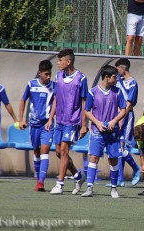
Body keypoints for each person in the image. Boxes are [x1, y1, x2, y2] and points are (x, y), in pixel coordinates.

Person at [47, 48, 89, 195]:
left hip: (73, 121)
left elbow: (85, 103)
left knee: (64, 150)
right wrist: (51, 118)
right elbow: (56, 99)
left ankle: (59, 184)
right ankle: (78, 175)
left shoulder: (81, 78)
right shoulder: (58, 76)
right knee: (58, 152)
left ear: (68, 61)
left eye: (60, 60)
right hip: (60, 121)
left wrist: (84, 124)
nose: (58, 63)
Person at [81, 65, 126, 198]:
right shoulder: (92, 92)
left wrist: (114, 121)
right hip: (97, 131)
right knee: (93, 157)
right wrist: (97, 123)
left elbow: (123, 110)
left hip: (113, 132)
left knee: (113, 160)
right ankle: (89, 188)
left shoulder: (117, 92)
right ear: (107, 77)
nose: (117, 79)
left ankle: (113, 188)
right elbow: (87, 111)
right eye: (114, 77)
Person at [19, 60, 56, 192]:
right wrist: (21, 119)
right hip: (33, 124)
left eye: (50, 74)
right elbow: (23, 100)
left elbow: (56, 103)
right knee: (36, 151)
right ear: (40, 73)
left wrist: (51, 119)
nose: (48, 76)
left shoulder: (54, 86)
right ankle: (38, 177)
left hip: (47, 125)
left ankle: (41, 182)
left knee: (45, 150)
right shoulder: (31, 84)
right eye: (46, 74)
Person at [114, 58, 140, 187]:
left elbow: (129, 104)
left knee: (121, 146)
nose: (116, 72)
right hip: (117, 116)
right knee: (119, 147)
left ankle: (136, 168)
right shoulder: (119, 81)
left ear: (123, 69)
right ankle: (120, 179)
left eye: (117, 69)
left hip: (126, 116)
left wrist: (121, 118)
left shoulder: (132, 83)